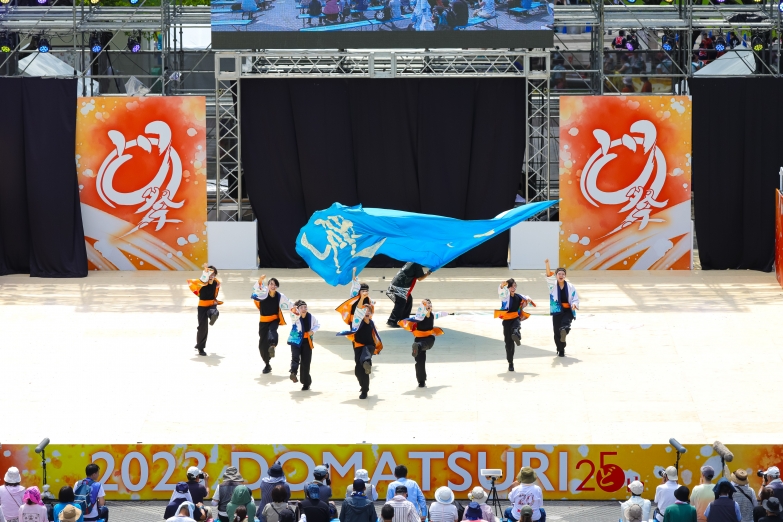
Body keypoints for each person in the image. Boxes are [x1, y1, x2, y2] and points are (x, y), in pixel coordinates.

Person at [398, 299, 452, 388]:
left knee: (421, 345)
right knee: (420, 362)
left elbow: (440, 314)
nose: (428, 305)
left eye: (430, 304)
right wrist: (401, 321)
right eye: (426, 304)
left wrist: (447, 313)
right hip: (418, 339)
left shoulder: (433, 315)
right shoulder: (419, 317)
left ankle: (417, 347)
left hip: (429, 339)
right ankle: (421, 381)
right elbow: (409, 319)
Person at [341, 304, 383, 400]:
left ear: (371, 313)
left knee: (365, 358)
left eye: (368, 311)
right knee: (358, 371)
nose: (366, 312)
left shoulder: (370, 323)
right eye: (364, 311)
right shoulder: (355, 323)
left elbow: (369, 325)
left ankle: (365, 390)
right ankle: (363, 384)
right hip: (358, 347)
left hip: (369, 346)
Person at [252, 275, 292, 374]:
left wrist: (296, 308)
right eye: (270, 284)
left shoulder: (280, 296)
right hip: (263, 321)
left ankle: (273, 345)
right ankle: (267, 364)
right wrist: (260, 280)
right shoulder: (263, 293)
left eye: (274, 284)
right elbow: (257, 289)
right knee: (262, 344)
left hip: (274, 319)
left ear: (277, 286)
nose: (272, 286)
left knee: (272, 331)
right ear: (268, 286)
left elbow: (289, 304)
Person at [496, 278, 534, 372]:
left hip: (515, 318)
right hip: (507, 320)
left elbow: (526, 297)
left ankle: (516, 334)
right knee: (508, 344)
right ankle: (510, 362)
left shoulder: (518, 296)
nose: (513, 287)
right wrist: (501, 286)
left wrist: (529, 299)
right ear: (508, 288)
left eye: (515, 285)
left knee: (516, 326)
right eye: (511, 286)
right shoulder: (505, 296)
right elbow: (501, 292)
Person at [545, 260, 579, 357]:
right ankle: (561, 348)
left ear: (565, 276)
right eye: (559, 274)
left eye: (563, 274)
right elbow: (548, 275)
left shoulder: (570, 286)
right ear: (556, 276)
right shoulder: (552, 285)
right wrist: (547, 264)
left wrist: (574, 304)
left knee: (565, 324)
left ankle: (564, 330)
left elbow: (575, 298)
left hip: (568, 310)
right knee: (556, 332)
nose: (561, 275)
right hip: (557, 311)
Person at [187, 264, 222, 356]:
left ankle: (212, 317)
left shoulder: (216, 283)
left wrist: (215, 301)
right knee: (202, 327)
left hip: (211, 304)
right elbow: (200, 280)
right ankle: (200, 348)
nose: (211, 276)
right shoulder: (201, 283)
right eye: (209, 274)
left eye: (213, 274)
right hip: (202, 306)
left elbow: (215, 293)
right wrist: (205, 272)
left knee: (214, 312)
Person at [288, 300, 321, 391]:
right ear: (298, 309)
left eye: (305, 307)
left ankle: (306, 383)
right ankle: (293, 372)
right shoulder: (295, 316)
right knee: (295, 357)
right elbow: (291, 311)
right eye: (301, 307)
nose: (304, 309)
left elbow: (317, 324)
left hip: (307, 341)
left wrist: (313, 331)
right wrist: (295, 308)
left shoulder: (311, 317)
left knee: (306, 362)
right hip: (296, 340)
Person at [386, 263, 430, 327]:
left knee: (408, 300)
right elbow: (420, 278)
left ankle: (404, 319)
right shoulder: (416, 264)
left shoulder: (411, 262)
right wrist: (429, 272)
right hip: (400, 287)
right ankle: (392, 321)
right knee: (401, 303)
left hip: (397, 284)